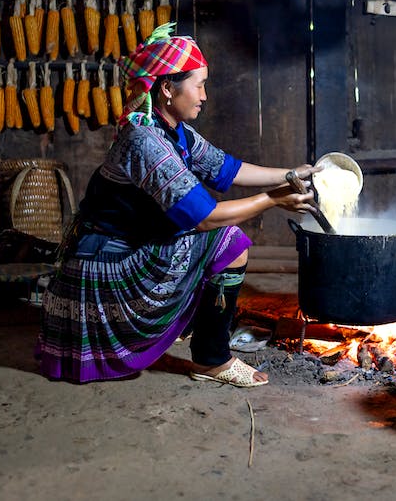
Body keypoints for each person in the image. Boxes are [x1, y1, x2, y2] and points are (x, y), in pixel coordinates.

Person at [37, 23, 318, 387]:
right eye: (198, 85)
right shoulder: (145, 140)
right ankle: (212, 361)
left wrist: (290, 173)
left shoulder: (171, 129)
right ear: (168, 88)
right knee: (228, 242)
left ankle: (203, 341)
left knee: (220, 240)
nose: (204, 95)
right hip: (109, 262)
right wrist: (273, 199)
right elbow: (205, 219)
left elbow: (225, 168)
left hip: (133, 245)